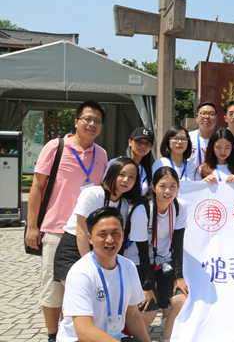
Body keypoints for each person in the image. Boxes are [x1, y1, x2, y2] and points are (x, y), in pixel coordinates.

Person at [25, 100, 109, 342]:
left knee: (83, 288)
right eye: (87, 119)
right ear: (76, 121)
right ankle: (53, 336)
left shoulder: (102, 154)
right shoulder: (56, 147)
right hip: (56, 230)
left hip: (89, 233)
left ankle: (74, 335)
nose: (92, 124)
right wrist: (32, 226)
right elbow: (37, 187)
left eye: (97, 121)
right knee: (53, 291)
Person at [56, 206, 150, 342]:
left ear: (123, 235)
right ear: (90, 238)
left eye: (115, 233)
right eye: (102, 234)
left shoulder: (129, 266)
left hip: (114, 337)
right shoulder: (80, 273)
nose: (110, 239)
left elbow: (133, 315)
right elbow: (84, 332)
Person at [124, 167, 188, 342]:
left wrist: (179, 276)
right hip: (139, 262)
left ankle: (166, 338)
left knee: (182, 300)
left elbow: (178, 242)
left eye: (172, 186)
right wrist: (147, 287)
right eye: (162, 186)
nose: (168, 191)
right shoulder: (142, 211)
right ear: (153, 187)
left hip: (164, 261)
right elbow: (142, 252)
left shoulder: (179, 206)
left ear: (178, 187)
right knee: (148, 310)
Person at [54, 158, 141, 283]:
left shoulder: (124, 205)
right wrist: (90, 265)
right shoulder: (93, 194)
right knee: (77, 292)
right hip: (75, 248)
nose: (126, 180)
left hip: (101, 250)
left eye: (132, 177)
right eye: (121, 174)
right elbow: (81, 232)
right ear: (111, 173)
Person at [106, 127, 154, 196]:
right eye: (139, 141)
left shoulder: (148, 170)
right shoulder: (115, 162)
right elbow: (106, 187)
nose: (143, 145)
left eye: (147, 143)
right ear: (130, 142)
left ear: (151, 148)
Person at [189, 102, 218, 173]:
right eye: (203, 113)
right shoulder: (188, 138)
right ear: (196, 118)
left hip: (215, 178)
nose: (207, 117)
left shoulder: (222, 139)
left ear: (216, 119)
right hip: (191, 178)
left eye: (211, 114)